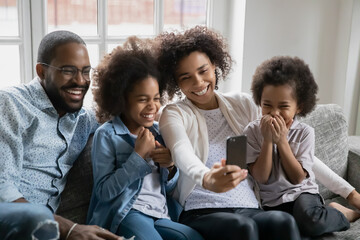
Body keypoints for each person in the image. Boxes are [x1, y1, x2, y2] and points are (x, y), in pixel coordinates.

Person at [156, 26, 360, 240]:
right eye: (186, 77)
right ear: (175, 81)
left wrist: (349, 192)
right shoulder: (174, 113)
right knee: (243, 228)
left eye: (203, 70)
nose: (198, 82)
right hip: (202, 208)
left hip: (250, 206)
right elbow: (181, 151)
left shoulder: (243, 104)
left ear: (214, 64)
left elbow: (296, 154)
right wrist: (207, 178)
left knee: (283, 221)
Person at [0, 30, 121, 240]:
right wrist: (70, 229)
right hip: (13, 221)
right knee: (35, 215)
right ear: (42, 71)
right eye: (68, 71)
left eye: (85, 71)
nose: (80, 81)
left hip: (49, 231)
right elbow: (2, 187)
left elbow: (125, 113)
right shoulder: (10, 104)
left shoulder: (83, 119)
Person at [87, 37, 203, 240]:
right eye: (142, 100)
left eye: (156, 98)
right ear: (121, 100)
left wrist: (170, 166)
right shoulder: (107, 135)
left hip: (160, 213)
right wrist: (138, 156)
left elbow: (168, 187)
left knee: (193, 237)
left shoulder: (159, 132)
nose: (152, 106)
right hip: (127, 213)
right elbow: (104, 192)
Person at [243, 56, 360, 237]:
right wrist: (267, 140)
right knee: (284, 230)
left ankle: (343, 213)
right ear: (260, 101)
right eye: (267, 105)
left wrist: (282, 140)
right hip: (271, 202)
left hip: (301, 194)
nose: (274, 113)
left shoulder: (305, 133)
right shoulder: (251, 131)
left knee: (310, 220)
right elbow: (261, 176)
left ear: (299, 107)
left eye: (283, 106)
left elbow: (297, 178)